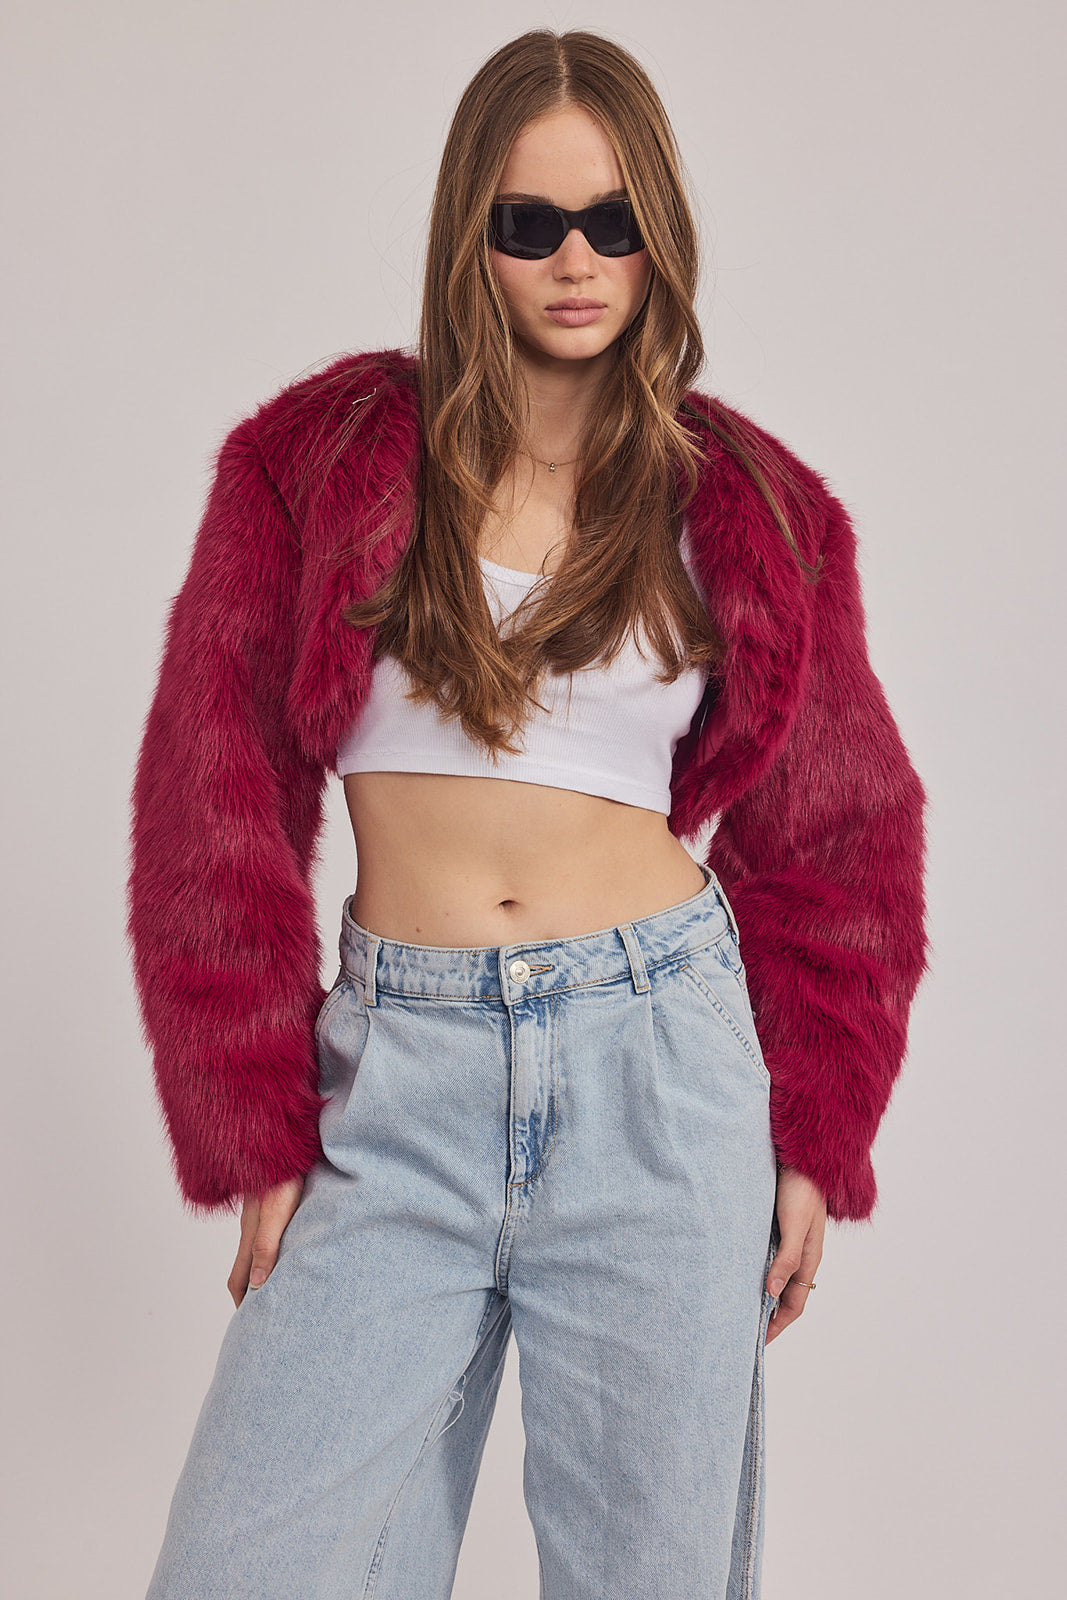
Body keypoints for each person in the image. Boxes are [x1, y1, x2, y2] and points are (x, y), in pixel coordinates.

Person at [126, 27, 929, 1600]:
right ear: (469, 235)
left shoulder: (754, 508)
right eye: (533, 222)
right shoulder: (316, 464)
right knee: (244, 1566)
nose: (577, 261)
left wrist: (815, 1135)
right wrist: (253, 1122)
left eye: (613, 222)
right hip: (393, 1091)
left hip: (660, 1083)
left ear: (660, 235)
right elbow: (208, 801)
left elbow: (843, 842)